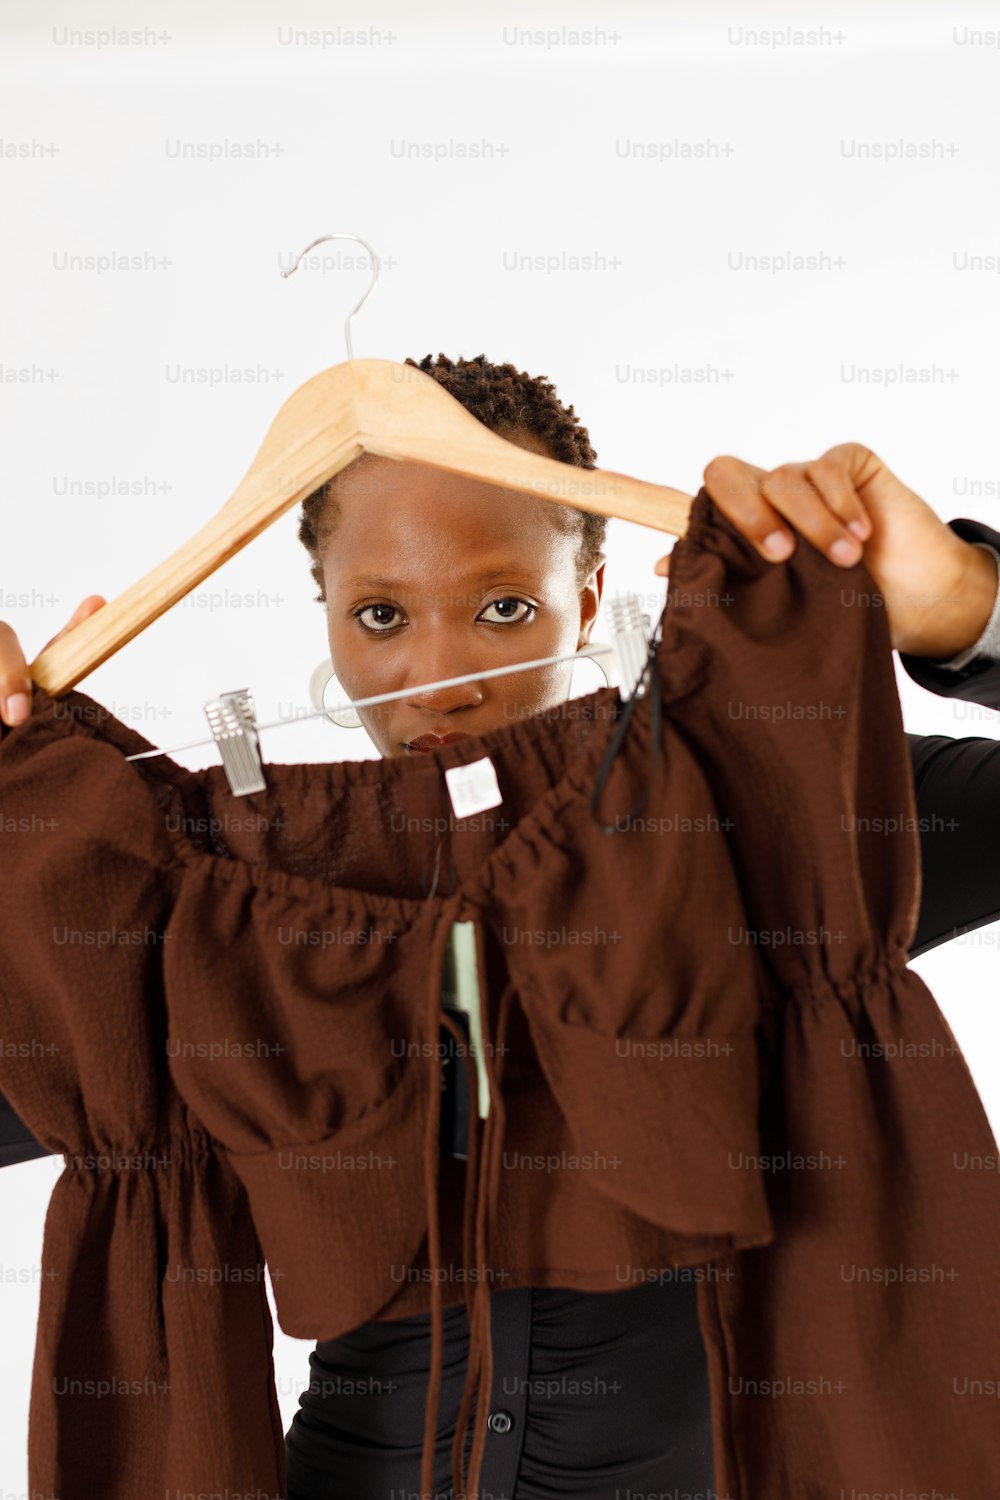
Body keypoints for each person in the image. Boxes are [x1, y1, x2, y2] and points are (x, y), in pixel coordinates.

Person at [1, 352, 999, 1498]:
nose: (439, 678)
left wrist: (972, 612)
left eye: (502, 607)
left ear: (586, 596)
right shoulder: (194, 913)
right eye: (381, 614)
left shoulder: (776, 812)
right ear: (324, 615)